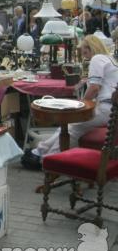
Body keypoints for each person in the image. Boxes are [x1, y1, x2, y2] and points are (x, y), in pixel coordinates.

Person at [21, 35, 118, 170]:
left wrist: (83, 104)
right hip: (111, 111)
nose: (85, 56)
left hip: (105, 108)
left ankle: (47, 159)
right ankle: (42, 152)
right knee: (71, 126)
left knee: (70, 126)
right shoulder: (110, 60)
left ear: (91, 48)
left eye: (85, 52)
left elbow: (95, 87)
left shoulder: (97, 58)